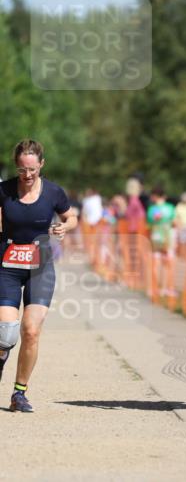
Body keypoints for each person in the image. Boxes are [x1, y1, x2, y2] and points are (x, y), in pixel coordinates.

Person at [0, 139, 77, 412]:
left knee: (31, 331)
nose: (28, 175)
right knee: (5, 335)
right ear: (16, 166)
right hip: (7, 264)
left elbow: (71, 216)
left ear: (41, 164)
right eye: (22, 170)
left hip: (40, 266)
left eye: (32, 169)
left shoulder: (54, 192)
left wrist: (65, 227)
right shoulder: (4, 190)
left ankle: (19, 393)